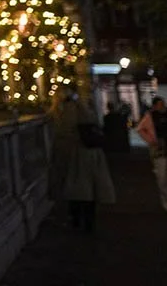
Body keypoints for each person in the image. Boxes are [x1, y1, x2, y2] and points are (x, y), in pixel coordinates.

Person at [49, 87, 116, 232]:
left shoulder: (67, 111)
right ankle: (88, 222)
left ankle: (77, 221)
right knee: (89, 191)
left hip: (77, 155)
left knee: (76, 191)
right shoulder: (84, 108)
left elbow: (63, 131)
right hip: (89, 154)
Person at [137, 96, 167, 214]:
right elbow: (140, 129)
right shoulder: (150, 117)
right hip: (160, 150)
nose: (161, 107)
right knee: (162, 178)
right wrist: (152, 141)